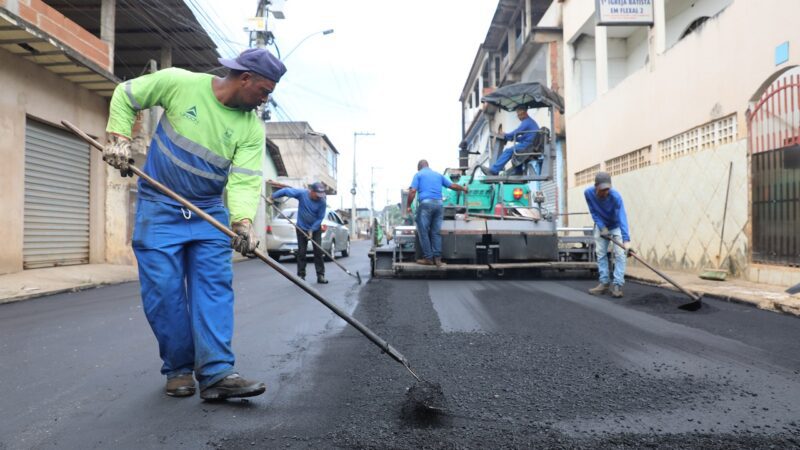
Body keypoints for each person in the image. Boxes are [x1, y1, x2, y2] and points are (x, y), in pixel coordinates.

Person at [103, 48, 286, 400]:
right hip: (159, 208)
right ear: (245, 78)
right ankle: (178, 369)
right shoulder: (180, 83)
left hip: (208, 213)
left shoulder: (251, 128)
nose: (265, 100)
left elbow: (246, 180)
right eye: (264, 91)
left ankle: (217, 374)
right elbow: (126, 95)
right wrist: (119, 140)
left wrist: (243, 223)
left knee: (214, 289)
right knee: (165, 295)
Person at [406, 160, 468, 266]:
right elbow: (452, 186)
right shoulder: (438, 175)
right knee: (436, 232)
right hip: (439, 205)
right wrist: (464, 188)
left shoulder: (418, 175)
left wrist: (408, 206)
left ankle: (428, 258)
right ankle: (438, 259)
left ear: (419, 167)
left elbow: (412, 191)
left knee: (423, 231)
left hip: (426, 205)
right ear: (428, 166)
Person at [585, 172, 633, 298]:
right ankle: (604, 283)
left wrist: (626, 241)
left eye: (607, 189)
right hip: (601, 226)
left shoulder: (616, 197)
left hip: (616, 226)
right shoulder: (588, 193)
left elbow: (622, 218)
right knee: (601, 254)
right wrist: (601, 227)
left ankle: (617, 285)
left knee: (620, 255)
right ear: (596, 187)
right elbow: (594, 212)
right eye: (602, 189)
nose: (605, 192)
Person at [271, 182, 329, 284]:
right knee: (302, 252)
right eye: (317, 194)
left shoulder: (322, 202)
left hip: (315, 229)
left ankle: (320, 275)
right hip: (301, 228)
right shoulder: (302, 194)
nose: (319, 197)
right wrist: (272, 197)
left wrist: (311, 229)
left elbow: (320, 217)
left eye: (321, 195)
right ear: (312, 191)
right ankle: (301, 276)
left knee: (318, 252)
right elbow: (285, 191)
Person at [483, 106, 540, 176]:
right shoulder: (530, 122)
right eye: (518, 115)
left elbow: (516, 132)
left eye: (520, 115)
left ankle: (494, 170)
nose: (519, 117)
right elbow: (522, 138)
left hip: (528, 146)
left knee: (508, 151)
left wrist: (506, 135)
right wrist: (511, 138)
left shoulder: (526, 122)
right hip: (530, 144)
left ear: (525, 113)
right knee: (515, 152)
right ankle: (518, 171)